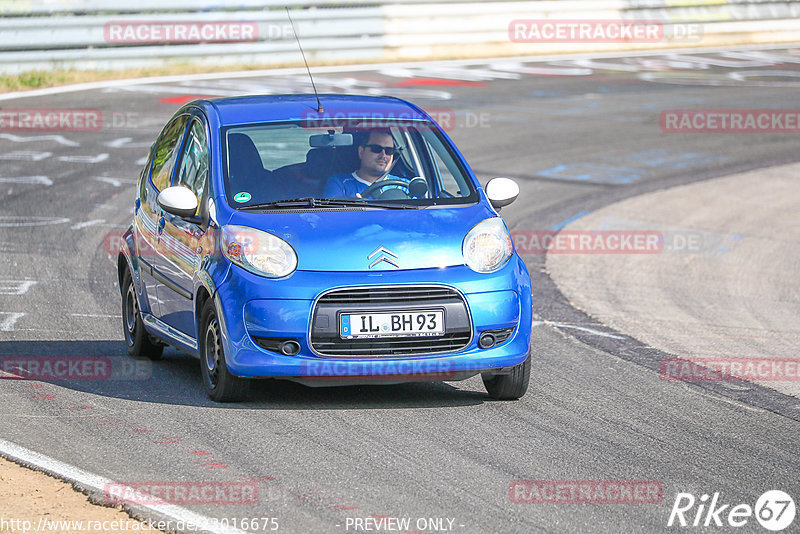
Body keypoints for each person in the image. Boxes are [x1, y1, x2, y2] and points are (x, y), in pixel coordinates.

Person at [323, 130, 409, 198]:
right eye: (376, 149)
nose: (383, 155)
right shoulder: (340, 183)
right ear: (361, 152)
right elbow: (332, 216)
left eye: (389, 151)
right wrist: (352, 208)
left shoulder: (404, 185)